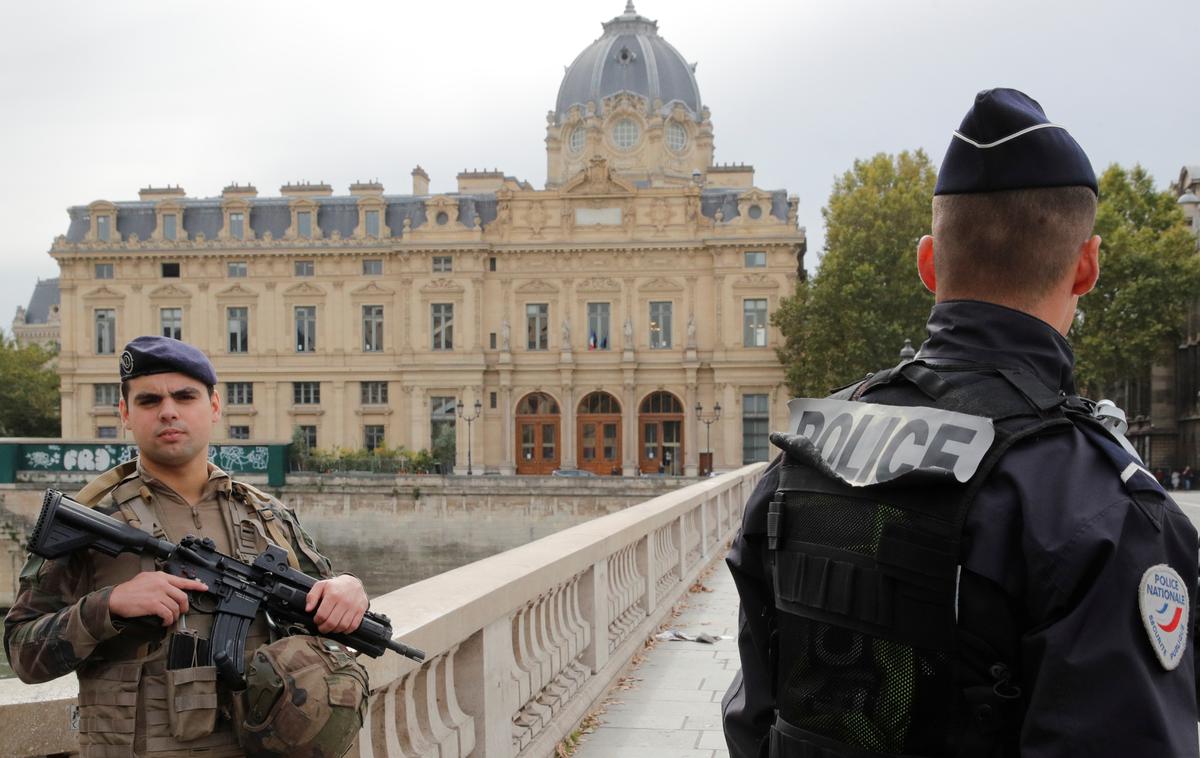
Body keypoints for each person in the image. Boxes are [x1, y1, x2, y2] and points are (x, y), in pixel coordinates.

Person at [722, 88, 1200, 757]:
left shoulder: (805, 456)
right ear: (1087, 267)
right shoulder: (1103, 512)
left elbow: (752, 720)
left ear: (928, 263)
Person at [4, 336, 371, 757]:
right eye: (148, 400)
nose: (168, 411)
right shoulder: (93, 519)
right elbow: (22, 653)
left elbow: (327, 601)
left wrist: (348, 587)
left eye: (185, 396)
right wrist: (109, 606)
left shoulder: (266, 515)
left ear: (214, 406)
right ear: (125, 413)